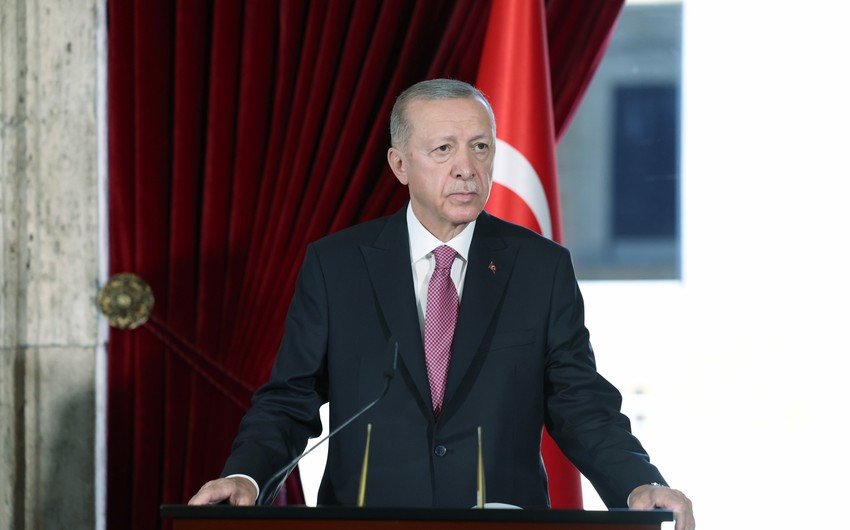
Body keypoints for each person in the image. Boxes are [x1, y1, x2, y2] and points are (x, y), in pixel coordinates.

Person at [189, 79, 695, 530]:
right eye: (444, 149)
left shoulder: (540, 268)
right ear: (400, 165)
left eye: (480, 147)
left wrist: (638, 483)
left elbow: (580, 402)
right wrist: (246, 476)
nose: (466, 168)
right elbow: (289, 399)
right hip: (368, 523)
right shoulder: (337, 266)